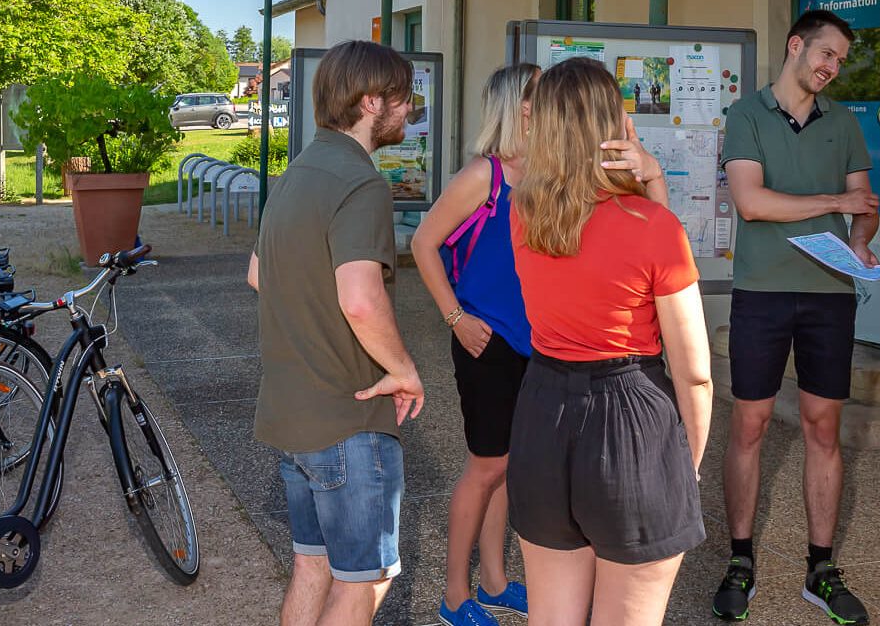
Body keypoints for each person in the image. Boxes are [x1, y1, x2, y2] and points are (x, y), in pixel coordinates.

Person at [507, 56, 712, 626]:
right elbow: (694, 370)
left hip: (543, 410)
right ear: (618, 128)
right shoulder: (653, 224)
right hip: (632, 418)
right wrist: (687, 459)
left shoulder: (522, 214)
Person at [247, 40, 424, 626]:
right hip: (347, 421)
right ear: (372, 102)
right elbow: (360, 299)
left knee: (313, 565)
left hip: (293, 415)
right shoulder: (361, 183)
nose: (408, 109)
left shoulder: (298, 172)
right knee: (366, 580)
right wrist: (403, 370)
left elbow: (257, 274)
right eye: (401, 98)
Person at [714, 9, 880, 625]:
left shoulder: (844, 125)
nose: (831, 68)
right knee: (750, 426)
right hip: (761, 291)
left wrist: (861, 238)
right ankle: (739, 559)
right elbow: (752, 203)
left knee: (823, 428)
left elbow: (865, 205)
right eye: (825, 54)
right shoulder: (746, 115)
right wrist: (837, 202)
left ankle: (821, 568)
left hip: (829, 293)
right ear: (795, 46)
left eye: (840, 61)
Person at [409, 63, 541, 626]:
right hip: (484, 342)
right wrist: (455, 317)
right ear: (519, 106)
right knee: (485, 469)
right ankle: (454, 596)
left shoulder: (544, 172)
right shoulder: (481, 176)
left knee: (509, 469)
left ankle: (493, 581)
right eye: (540, 94)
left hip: (535, 344)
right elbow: (422, 243)